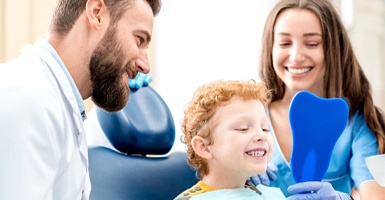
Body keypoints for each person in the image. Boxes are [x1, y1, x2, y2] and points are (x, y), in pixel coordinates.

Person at [0, 0, 161, 199]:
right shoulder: (28, 100)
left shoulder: (59, 104)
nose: (145, 65)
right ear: (96, 13)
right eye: (139, 40)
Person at [253, 0, 385, 199]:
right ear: (270, 48)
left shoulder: (356, 123)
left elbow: (374, 197)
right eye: (284, 43)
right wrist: (236, 174)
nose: (296, 56)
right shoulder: (249, 114)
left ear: (334, 49)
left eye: (312, 43)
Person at [174, 79, 286, 199]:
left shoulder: (269, 195)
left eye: (265, 128)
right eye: (243, 128)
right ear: (204, 147)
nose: (261, 135)